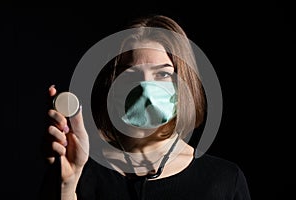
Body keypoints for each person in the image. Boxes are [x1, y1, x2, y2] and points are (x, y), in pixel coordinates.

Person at [41, 14, 251, 200]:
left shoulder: (224, 179)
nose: (145, 89)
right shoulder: (82, 170)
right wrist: (66, 187)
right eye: (130, 74)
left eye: (163, 74)